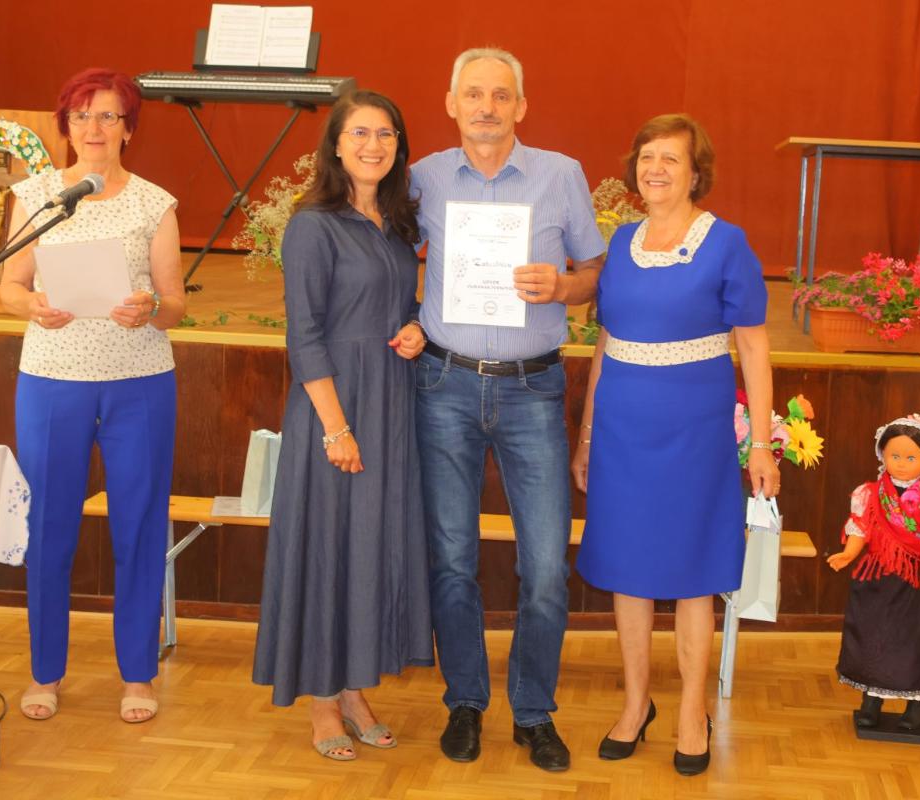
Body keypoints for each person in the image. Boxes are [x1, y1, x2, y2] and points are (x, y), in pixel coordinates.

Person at [410, 47, 606, 772]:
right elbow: (389, 259)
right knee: (452, 560)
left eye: (501, 95)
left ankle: (533, 711)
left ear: (521, 106)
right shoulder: (422, 177)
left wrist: (563, 287)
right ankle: (464, 700)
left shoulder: (561, 174)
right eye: (474, 94)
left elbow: (593, 269)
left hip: (533, 389)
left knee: (547, 566)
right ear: (451, 103)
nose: (486, 107)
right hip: (445, 385)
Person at [571, 113, 779, 776]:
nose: (655, 169)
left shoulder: (726, 244)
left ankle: (693, 710)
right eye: (647, 157)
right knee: (628, 569)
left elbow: (753, 348)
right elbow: (606, 343)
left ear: (696, 173)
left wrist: (763, 445)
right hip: (622, 434)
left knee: (694, 573)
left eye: (670, 158)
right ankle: (636, 704)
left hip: (696, 434)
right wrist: (587, 434)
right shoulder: (621, 240)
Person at [0, 67, 186, 723]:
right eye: (81, 116)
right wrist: (33, 305)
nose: (94, 128)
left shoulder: (154, 204)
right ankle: (45, 672)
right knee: (49, 525)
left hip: (139, 382)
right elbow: (9, 285)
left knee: (139, 525)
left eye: (108, 116)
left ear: (129, 129)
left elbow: (174, 303)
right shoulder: (37, 195)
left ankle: (138, 675)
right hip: (53, 379)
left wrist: (149, 308)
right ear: (66, 126)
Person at [252, 90, 432, 762]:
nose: (372, 145)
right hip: (335, 407)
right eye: (359, 133)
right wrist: (335, 428)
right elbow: (304, 336)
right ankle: (324, 703)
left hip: (390, 401)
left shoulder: (397, 224)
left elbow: (399, 304)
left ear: (398, 146)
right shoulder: (312, 226)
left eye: (385, 134)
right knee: (329, 548)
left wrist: (415, 328)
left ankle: (355, 690)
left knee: (371, 547)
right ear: (334, 144)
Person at [826, 414, 920, 731]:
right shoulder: (869, 494)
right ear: (882, 455)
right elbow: (860, 528)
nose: (901, 464)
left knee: (917, 642)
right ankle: (871, 702)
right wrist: (849, 553)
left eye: (911, 457)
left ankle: (917, 707)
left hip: (918, 582)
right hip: (878, 578)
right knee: (873, 638)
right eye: (894, 456)